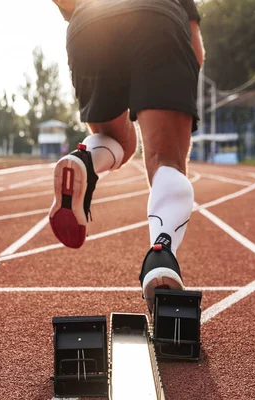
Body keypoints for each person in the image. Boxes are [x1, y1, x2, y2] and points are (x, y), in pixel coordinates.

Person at [49, 0, 205, 312]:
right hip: (156, 18)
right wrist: (180, 84)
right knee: (166, 159)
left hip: (88, 25)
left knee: (118, 140)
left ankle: (86, 161)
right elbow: (195, 47)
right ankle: (161, 255)